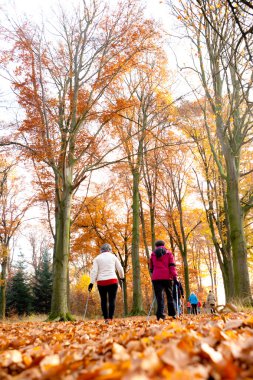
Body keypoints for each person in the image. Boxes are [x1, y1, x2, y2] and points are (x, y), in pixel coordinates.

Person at [88, 243, 124, 323]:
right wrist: (122, 277)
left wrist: (91, 283)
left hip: (101, 282)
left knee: (103, 300)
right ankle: (110, 318)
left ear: (101, 250)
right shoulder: (113, 257)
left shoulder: (97, 258)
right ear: (110, 249)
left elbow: (94, 271)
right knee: (112, 300)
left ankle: (106, 319)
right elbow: (120, 269)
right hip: (112, 281)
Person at [149, 239, 177, 320]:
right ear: (164, 245)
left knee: (159, 297)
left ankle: (160, 315)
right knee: (169, 295)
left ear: (156, 246)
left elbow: (151, 267)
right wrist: (174, 276)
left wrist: (153, 274)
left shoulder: (153, 254)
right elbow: (172, 266)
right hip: (167, 277)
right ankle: (172, 314)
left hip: (156, 278)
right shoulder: (169, 253)